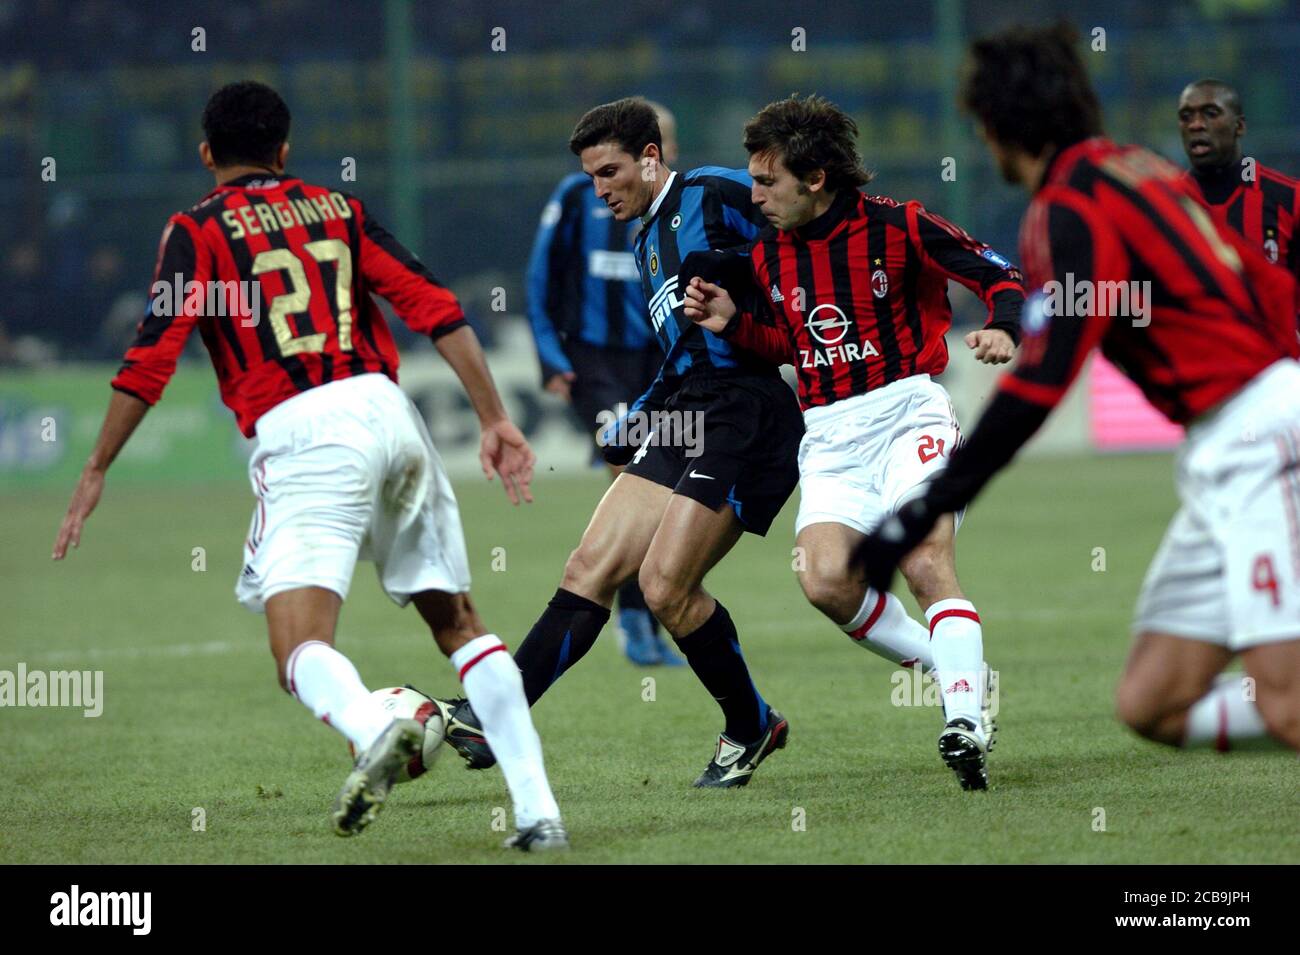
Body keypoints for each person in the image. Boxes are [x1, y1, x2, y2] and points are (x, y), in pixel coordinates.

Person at [51, 81, 568, 850]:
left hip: (303, 429)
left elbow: (151, 356)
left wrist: (95, 467)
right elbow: (436, 307)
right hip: (390, 409)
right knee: (459, 621)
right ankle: (539, 814)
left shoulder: (197, 229)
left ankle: (373, 725)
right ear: (284, 150)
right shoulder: (339, 208)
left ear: (206, 155)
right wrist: (495, 416)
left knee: (297, 644)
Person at [855, 23, 1300, 755]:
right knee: (1153, 702)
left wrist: (923, 507)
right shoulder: (1136, 167)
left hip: (1260, 436)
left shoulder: (1065, 208)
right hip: (1226, 446)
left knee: (1284, 704)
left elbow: (1041, 379)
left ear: (999, 126)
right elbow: (1272, 288)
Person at [448, 97, 805, 788]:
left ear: (650, 158)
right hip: (684, 410)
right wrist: (636, 418)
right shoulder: (644, 241)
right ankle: (495, 715)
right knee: (588, 566)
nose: (600, 188)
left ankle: (748, 725)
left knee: (665, 585)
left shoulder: (715, 190)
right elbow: (679, 355)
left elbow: (798, 220)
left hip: (750, 416)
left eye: (609, 171)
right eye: (590, 177)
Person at [682, 94, 1024, 790]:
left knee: (926, 560)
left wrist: (1004, 326)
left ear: (814, 178)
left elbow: (1001, 274)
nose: (755, 195)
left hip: (908, 414)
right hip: (830, 432)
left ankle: (964, 721)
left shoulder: (901, 225)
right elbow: (797, 344)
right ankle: (955, 668)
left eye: (767, 182)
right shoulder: (770, 254)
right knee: (826, 580)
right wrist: (734, 325)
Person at [524, 101, 684, 666]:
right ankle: (638, 620)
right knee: (635, 474)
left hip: (658, 366)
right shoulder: (576, 198)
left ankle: (649, 609)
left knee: (660, 493)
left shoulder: (681, 205)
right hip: (594, 363)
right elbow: (540, 276)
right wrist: (550, 357)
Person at [1177, 78, 1300, 322]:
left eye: (1211, 114)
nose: (1196, 125)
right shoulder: (1166, 204)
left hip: (1276, 356)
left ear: (1239, 126)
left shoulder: (1289, 199)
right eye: (1186, 116)